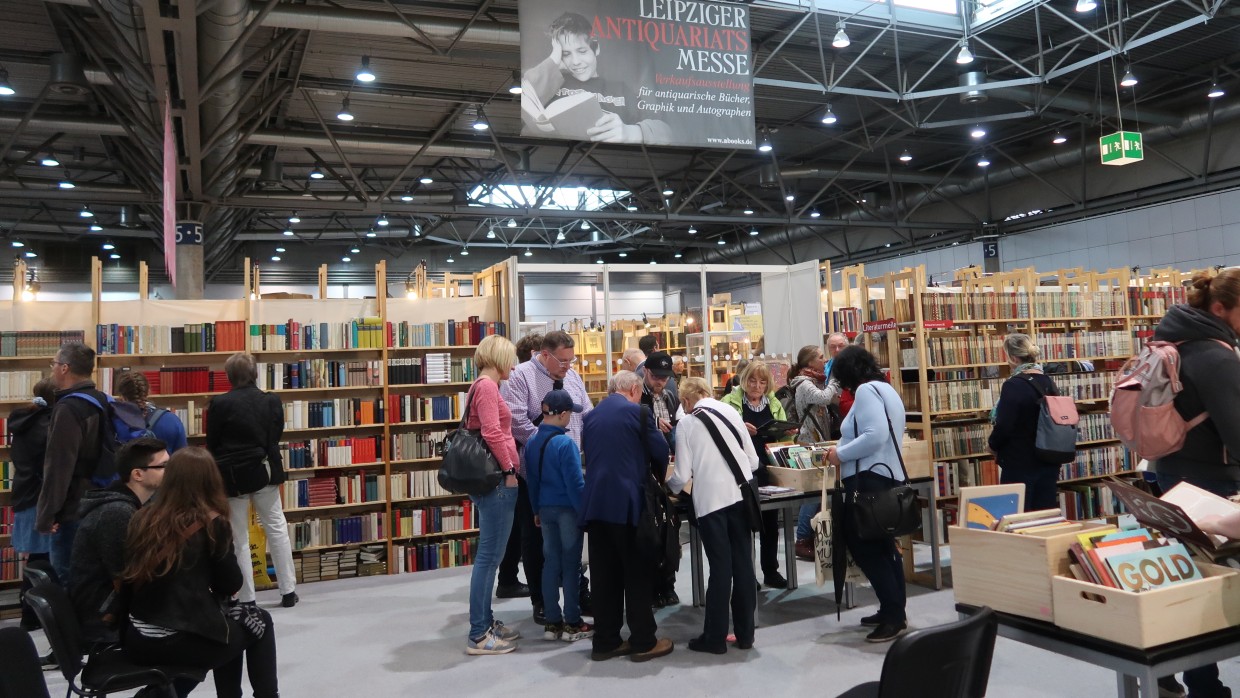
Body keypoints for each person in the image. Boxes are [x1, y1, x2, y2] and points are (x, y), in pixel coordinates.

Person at [120, 447, 279, 698]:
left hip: (137, 637)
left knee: (230, 622)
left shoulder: (142, 516)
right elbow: (230, 584)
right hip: (175, 640)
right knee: (260, 621)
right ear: (212, 481)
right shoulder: (212, 522)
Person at [1148, 268, 1240, 698]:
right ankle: (1206, 687)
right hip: (1214, 487)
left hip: (1171, 474)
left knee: (1185, 578)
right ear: (1220, 308)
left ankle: (1168, 672)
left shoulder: (1173, 343)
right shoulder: (1217, 356)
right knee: (1210, 589)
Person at [580, 370, 674, 662]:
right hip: (629, 506)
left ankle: (606, 641)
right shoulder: (640, 414)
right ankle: (643, 640)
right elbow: (661, 451)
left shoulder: (590, 417)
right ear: (634, 389)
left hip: (596, 506)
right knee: (637, 573)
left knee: (604, 576)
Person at [501, 330, 594, 624]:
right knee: (538, 541)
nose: (568, 365)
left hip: (572, 470)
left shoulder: (574, 376)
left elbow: (586, 412)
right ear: (544, 354)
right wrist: (549, 450)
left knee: (573, 542)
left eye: (571, 359)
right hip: (537, 473)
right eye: (562, 360)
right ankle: (541, 601)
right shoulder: (520, 377)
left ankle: (578, 596)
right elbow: (516, 421)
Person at [825, 345, 908, 643]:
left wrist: (840, 453)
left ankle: (893, 615)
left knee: (866, 547)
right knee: (885, 547)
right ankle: (893, 609)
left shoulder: (865, 392)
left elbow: (875, 436)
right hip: (887, 477)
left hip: (868, 480)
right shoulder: (886, 389)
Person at [670, 377, 759, 654]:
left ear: (685, 401)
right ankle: (746, 635)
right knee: (744, 566)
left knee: (721, 569)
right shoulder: (732, 412)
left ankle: (715, 638)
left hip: (711, 503)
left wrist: (670, 488)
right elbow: (753, 461)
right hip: (741, 497)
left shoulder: (686, 423)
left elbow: (682, 475)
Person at [206, 353, 297, 609]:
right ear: (255, 373)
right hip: (264, 470)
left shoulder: (219, 404)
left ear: (229, 376)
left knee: (239, 536)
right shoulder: (271, 401)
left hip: (232, 477)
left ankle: (247, 597)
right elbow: (275, 435)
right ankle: (288, 591)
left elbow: (212, 442)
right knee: (276, 527)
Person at [69, 437, 168, 646]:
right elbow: (124, 579)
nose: (170, 471)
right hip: (104, 622)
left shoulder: (126, 505)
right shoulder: (117, 512)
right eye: (163, 466)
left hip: (110, 612)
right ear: (138, 474)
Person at [522, 12, 673, 145]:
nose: (575, 62)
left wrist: (630, 132)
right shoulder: (551, 83)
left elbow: (667, 132)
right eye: (566, 54)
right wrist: (554, 59)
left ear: (597, 48)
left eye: (582, 51)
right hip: (556, 161)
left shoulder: (620, 89)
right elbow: (527, 97)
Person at [464, 335, 523, 655]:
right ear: (499, 358)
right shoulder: (487, 387)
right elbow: (492, 432)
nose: (513, 365)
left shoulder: (483, 385)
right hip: (497, 480)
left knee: (491, 557)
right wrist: (510, 469)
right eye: (510, 359)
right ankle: (478, 633)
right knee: (488, 559)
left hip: (492, 480)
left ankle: (485, 622)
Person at [37, 341, 108, 586]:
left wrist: (47, 515)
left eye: (54, 364)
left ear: (65, 368)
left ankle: (74, 625)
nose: (52, 369)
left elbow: (58, 467)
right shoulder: (101, 399)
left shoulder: (68, 408)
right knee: (94, 581)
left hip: (74, 507)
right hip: (102, 499)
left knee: (69, 580)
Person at [526, 389, 591, 643]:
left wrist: (535, 509)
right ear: (563, 414)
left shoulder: (532, 441)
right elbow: (575, 484)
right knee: (571, 565)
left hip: (544, 508)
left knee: (550, 562)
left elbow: (531, 479)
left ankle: (552, 622)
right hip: (567, 510)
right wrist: (583, 511)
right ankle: (572, 622)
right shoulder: (565, 443)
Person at [722, 360, 793, 588]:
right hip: (741, 471)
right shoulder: (730, 403)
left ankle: (771, 570)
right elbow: (721, 435)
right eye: (752, 380)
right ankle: (746, 575)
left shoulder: (773, 403)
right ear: (744, 380)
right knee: (744, 524)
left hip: (768, 469)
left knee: (770, 523)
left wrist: (786, 432)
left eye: (762, 382)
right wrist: (740, 428)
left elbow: (783, 439)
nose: (757, 386)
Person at [987, 334, 1062, 511]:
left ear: (1014, 358)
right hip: (1048, 459)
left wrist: (992, 445)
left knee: (1017, 516)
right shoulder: (1048, 381)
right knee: (1044, 518)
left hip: (1020, 462)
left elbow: (1005, 425)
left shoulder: (1013, 385)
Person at [498, 332, 544, 598]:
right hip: (518, 463)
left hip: (516, 460)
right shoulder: (517, 380)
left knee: (517, 525)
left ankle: (510, 577)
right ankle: (512, 579)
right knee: (524, 526)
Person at [796, 333, 850, 560]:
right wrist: (836, 379)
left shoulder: (815, 380)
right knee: (813, 492)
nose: (824, 360)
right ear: (809, 362)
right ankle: (802, 538)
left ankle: (813, 535)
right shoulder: (804, 384)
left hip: (820, 441)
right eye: (820, 357)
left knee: (822, 490)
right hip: (810, 443)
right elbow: (826, 397)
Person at [640, 351, 686, 607]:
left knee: (670, 530)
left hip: (668, 469)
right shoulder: (637, 399)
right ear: (646, 372)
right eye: (656, 376)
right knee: (651, 533)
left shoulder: (670, 396)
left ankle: (668, 584)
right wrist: (652, 425)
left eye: (665, 377)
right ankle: (654, 586)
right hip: (648, 473)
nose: (660, 381)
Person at [10, 378, 55, 631]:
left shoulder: (23, 420)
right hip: (41, 497)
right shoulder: (48, 426)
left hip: (25, 494)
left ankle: (28, 612)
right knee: (44, 560)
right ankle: (35, 615)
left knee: (33, 559)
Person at [113, 371, 188, 454]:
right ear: (148, 392)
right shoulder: (171, 420)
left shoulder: (114, 421)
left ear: (122, 397)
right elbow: (182, 459)